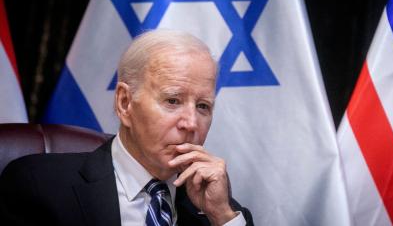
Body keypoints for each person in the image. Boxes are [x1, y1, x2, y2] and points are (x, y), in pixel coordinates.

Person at [0, 29, 254, 226]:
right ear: (125, 103)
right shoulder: (40, 185)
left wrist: (221, 216)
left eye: (202, 107)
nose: (191, 124)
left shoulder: (218, 211)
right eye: (172, 101)